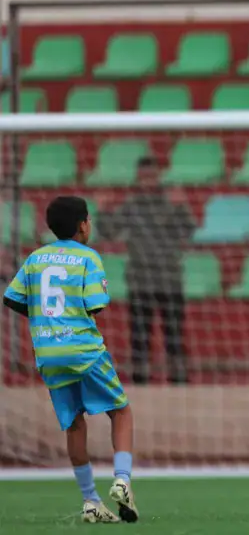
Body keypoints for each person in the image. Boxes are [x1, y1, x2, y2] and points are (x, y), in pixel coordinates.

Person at [2, 196, 138, 523]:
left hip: (47, 352)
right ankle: (122, 480)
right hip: (82, 348)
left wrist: (44, 317)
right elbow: (96, 304)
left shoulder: (36, 258)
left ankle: (90, 500)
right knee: (120, 411)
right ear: (82, 225)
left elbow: (13, 298)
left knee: (74, 422)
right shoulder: (88, 257)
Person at [98, 156, 196, 384]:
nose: (148, 182)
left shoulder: (170, 202)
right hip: (140, 280)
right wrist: (102, 209)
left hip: (169, 279)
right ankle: (141, 381)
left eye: (151, 177)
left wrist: (182, 206)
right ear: (138, 178)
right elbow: (108, 232)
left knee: (174, 336)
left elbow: (187, 232)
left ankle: (178, 381)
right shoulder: (131, 206)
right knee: (140, 337)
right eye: (144, 177)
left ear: (158, 176)